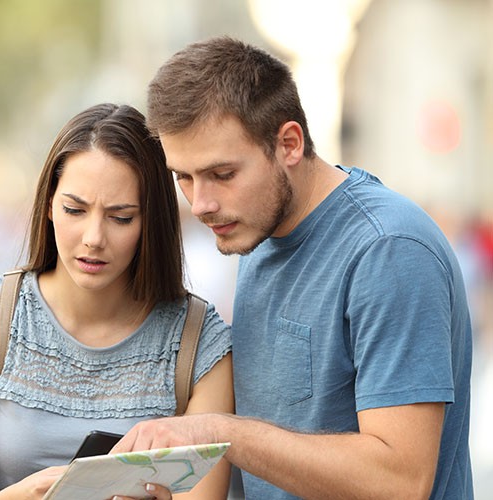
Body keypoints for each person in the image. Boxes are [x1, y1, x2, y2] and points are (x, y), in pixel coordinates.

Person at [112, 36, 474, 499]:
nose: (201, 203)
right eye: (183, 176)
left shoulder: (388, 250)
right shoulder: (254, 230)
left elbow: (400, 481)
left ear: (289, 144)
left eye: (222, 174)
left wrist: (220, 432)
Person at [0, 103, 234, 500]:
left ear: (151, 221)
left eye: (120, 217)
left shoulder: (199, 343)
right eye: (74, 209)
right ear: (49, 205)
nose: (93, 237)